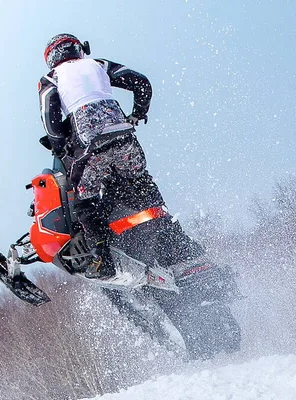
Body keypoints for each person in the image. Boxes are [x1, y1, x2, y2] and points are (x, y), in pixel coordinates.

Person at [37, 33, 202, 280]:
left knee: (85, 201)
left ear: (51, 59)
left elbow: (50, 118)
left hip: (90, 146)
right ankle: (180, 246)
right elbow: (142, 83)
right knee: (141, 185)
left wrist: (60, 145)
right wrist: (137, 114)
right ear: (79, 49)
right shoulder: (98, 64)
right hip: (124, 139)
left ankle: (101, 258)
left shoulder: (51, 78)